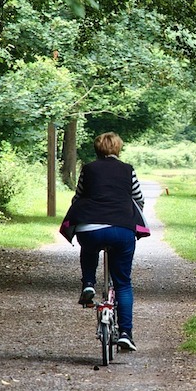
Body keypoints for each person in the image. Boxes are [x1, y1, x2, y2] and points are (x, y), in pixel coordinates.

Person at [62, 132, 145, 351]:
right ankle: (126, 333)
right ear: (118, 148)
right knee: (123, 283)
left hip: (91, 227)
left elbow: (78, 197)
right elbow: (138, 199)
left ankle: (88, 283)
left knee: (88, 248)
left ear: (97, 150)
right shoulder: (128, 169)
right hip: (122, 229)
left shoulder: (88, 169)